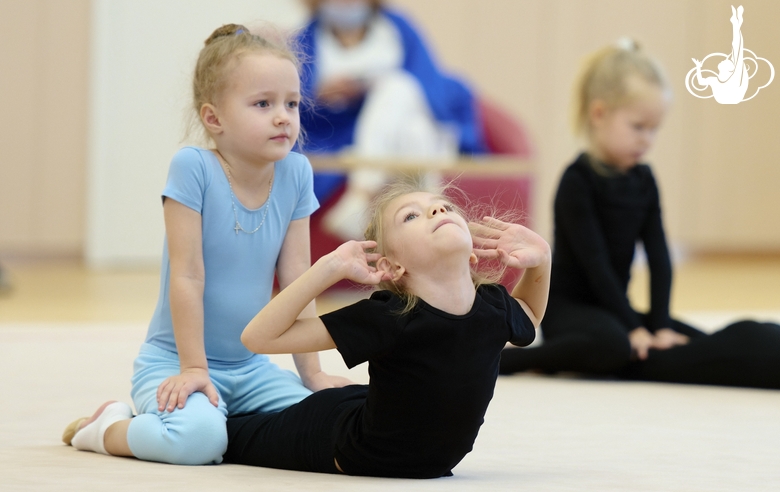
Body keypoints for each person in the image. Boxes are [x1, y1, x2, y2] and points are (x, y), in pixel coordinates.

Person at [61, 23, 351, 465]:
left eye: (291, 103)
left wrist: (311, 374)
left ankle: (217, 419)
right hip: (175, 360)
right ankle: (106, 428)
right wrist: (194, 369)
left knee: (325, 421)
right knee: (197, 442)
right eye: (263, 103)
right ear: (214, 118)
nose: (283, 116)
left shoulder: (296, 173)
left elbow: (298, 283)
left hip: (252, 365)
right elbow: (188, 275)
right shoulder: (193, 167)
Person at [222, 175, 550, 478]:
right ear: (392, 266)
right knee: (223, 436)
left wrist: (543, 258)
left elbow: (531, 316)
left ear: (472, 257)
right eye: (411, 216)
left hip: (374, 411)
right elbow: (258, 337)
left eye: (445, 207)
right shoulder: (388, 316)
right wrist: (328, 268)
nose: (438, 209)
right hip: (342, 439)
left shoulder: (493, 307)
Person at [499, 40, 780, 389]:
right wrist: (633, 328)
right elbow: (596, 266)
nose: (647, 139)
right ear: (599, 114)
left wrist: (659, 325)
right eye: (638, 126)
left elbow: (660, 255)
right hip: (571, 311)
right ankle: (513, 360)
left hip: (615, 306)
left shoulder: (644, 179)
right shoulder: (577, 181)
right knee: (615, 346)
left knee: (692, 340)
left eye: (654, 129)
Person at [296, 0, 487, 240]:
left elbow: (428, 84)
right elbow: (297, 103)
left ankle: (362, 196)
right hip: (347, 133)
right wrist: (322, 97)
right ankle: (431, 217)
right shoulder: (305, 41)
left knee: (396, 88)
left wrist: (374, 91)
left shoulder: (397, 29)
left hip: (419, 130)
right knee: (410, 128)